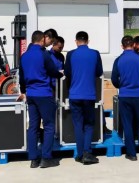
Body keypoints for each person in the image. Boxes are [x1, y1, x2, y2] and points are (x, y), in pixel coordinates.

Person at [19, 30, 63, 169]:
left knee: (33, 127)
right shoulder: (44, 54)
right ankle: (46, 158)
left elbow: (21, 77)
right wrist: (61, 74)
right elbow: (52, 71)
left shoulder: (24, 56)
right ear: (42, 39)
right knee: (49, 126)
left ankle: (33, 159)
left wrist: (24, 91)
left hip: (31, 95)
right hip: (44, 93)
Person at [64, 31, 103, 165]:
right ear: (88, 41)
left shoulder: (70, 54)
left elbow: (67, 73)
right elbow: (99, 72)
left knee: (77, 125)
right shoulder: (95, 53)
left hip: (74, 94)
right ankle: (87, 153)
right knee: (89, 124)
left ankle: (80, 154)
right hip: (89, 94)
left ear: (76, 41)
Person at [111, 35, 139, 161]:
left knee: (127, 125)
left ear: (122, 46)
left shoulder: (118, 60)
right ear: (134, 45)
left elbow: (114, 79)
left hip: (125, 95)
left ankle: (131, 153)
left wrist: (121, 86)